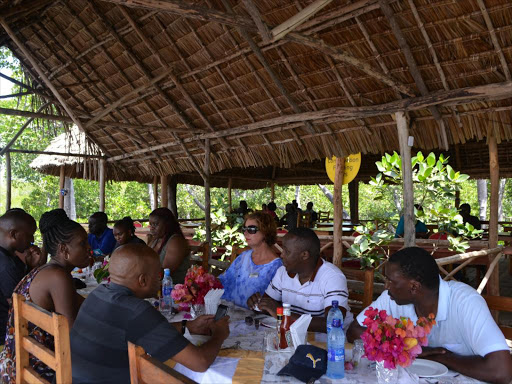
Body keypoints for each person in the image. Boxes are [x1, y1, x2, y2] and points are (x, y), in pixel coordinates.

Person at [347, 247, 512, 384]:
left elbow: (502, 371)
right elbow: (354, 331)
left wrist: (443, 357)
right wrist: (407, 348)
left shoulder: (465, 303)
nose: (386, 287)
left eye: (391, 281)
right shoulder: (392, 299)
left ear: (414, 287)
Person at [70, 243, 230, 384]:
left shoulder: (99, 293)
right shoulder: (136, 310)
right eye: (158, 275)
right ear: (143, 280)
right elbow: (200, 363)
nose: (160, 281)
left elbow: (138, 331)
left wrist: (186, 326)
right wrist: (219, 335)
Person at [0, 209, 92, 382]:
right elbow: (72, 337)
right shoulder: (58, 277)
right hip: (39, 369)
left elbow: (85, 305)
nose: (89, 249)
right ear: (64, 249)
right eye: (83, 243)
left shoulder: (45, 271)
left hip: (17, 364)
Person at [247, 227, 353, 332]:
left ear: (304, 255)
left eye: (287, 251)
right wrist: (258, 304)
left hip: (330, 342)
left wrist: (282, 313)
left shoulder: (332, 277)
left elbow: (333, 323)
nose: (282, 255)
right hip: (295, 337)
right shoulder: (283, 272)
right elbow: (268, 307)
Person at [219, 211, 283, 308]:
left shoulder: (277, 267)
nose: (245, 233)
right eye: (244, 228)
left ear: (265, 231)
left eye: (251, 229)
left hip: (257, 319)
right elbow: (224, 281)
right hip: (230, 313)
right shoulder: (243, 257)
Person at [0, 209, 36, 345]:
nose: (32, 240)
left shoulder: (9, 257)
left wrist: (31, 267)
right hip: (6, 340)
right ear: (14, 234)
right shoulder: (6, 265)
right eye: (30, 235)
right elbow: (22, 305)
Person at [148, 208, 190, 284]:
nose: (152, 228)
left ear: (167, 224)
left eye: (155, 224)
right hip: (155, 284)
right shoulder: (155, 240)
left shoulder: (176, 241)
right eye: (150, 224)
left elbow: (164, 273)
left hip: (173, 288)